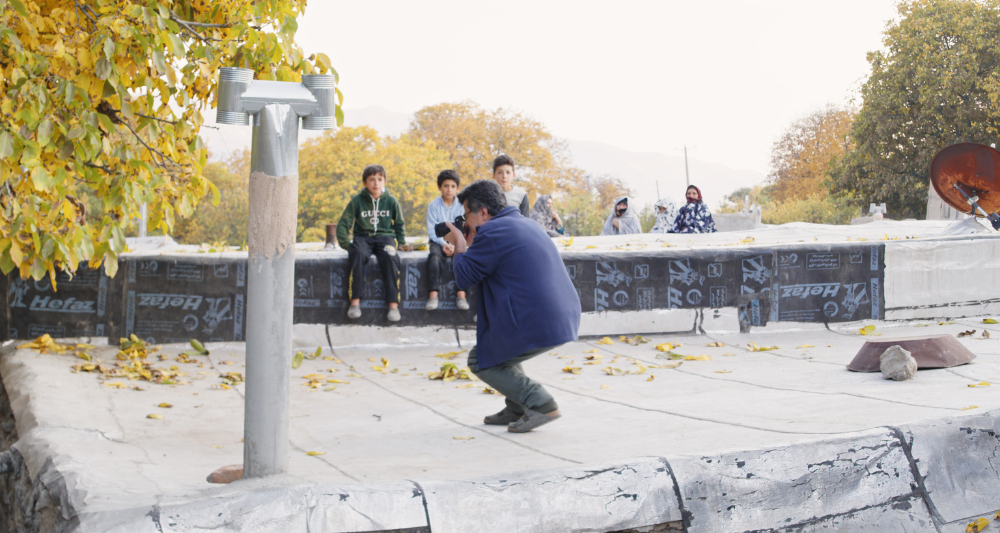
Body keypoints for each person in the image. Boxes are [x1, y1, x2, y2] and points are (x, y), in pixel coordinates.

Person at [444, 180, 581, 433]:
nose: (466, 223)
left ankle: (540, 403)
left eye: (467, 216)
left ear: (483, 212)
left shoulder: (492, 232)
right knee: (499, 350)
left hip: (539, 319)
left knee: (481, 360)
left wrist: (459, 243)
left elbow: (464, 277)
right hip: (561, 315)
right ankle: (517, 406)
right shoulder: (526, 224)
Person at [336, 164, 407, 322]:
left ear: (385, 181)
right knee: (358, 255)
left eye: (380, 179)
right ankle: (355, 302)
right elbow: (343, 224)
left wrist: (401, 242)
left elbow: (399, 224)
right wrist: (347, 245)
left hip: (385, 238)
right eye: (372, 180)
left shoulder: (391, 201)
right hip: (363, 238)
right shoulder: (357, 201)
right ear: (364, 183)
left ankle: (393, 305)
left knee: (391, 257)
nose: (376, 183)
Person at [424, 169, 469, 311]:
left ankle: (461, 294)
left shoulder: (461, 206)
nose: (449, 190)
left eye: (453, 186)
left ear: (457, 188)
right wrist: (444, 244)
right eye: (445, 186)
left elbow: (463, 228)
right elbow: (432, 229)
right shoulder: (434, 206)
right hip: (438, 240)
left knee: (462, 257)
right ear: (439, 187)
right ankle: (433, 295)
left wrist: (454, 245)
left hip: (457, 241)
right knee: (434, 257)